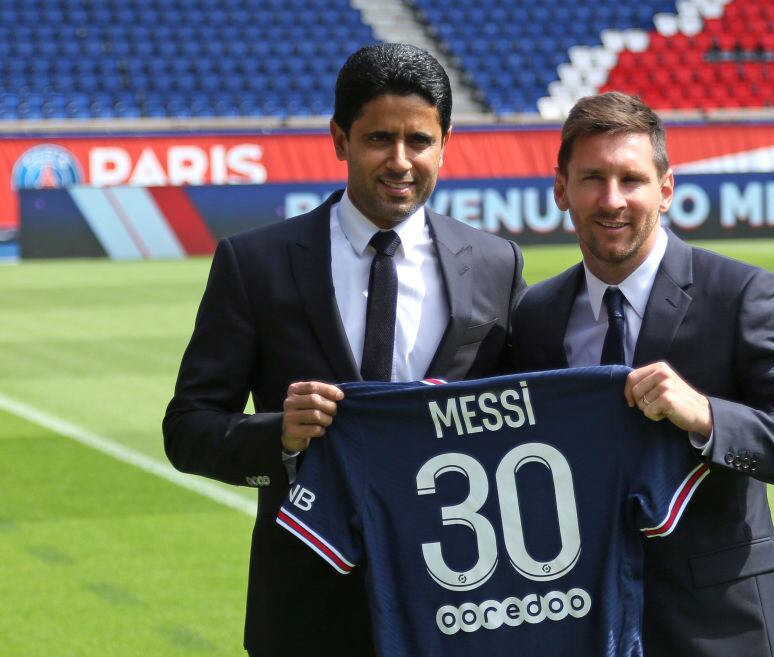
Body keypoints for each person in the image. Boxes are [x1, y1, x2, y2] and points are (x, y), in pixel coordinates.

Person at [163, 43, 524, 657]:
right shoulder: (256, 265)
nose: (401, 161)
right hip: (309, 609)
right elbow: (188, 428)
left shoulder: (495, 265)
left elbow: (525, 419)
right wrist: (280, 434)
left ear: (446, 142)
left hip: (462, 602)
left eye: (420, 141)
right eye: (379, 138)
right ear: (339, 139)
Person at [509, 92, 774, 657]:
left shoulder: (741, 294)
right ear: (561, 189)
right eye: (592, 178)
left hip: (721, 626)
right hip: (581, 620)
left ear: (665, 190)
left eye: (631, 179)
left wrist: (707, 416)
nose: (611, 200)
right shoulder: (534, 315)